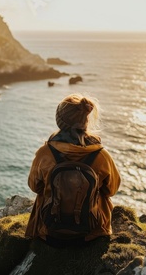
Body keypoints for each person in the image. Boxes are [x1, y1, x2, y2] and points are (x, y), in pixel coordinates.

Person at [25, 93, 121, 245]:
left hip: (50, 231)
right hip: (92, 232)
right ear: (85, 121)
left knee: (43, 193)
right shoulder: (101, 155)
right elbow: (111, 190)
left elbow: (34, 186)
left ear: (60, 122)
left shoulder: (44, 153)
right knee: (103, 195)